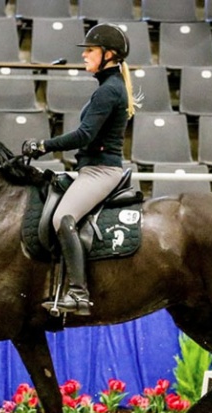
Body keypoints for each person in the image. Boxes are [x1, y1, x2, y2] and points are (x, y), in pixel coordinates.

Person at [22, 23, 140, 316]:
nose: (85, 55)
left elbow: (84, 135)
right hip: (91, 169)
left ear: (109, 55)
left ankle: (79, 293)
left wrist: (43, 145)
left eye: (90, 50)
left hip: (101, 171)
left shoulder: (109, 91)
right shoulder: (107, 87)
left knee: (63, 217)